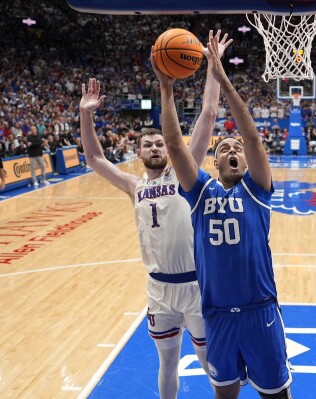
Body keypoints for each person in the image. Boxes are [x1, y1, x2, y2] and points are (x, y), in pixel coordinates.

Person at [80, 31, 231, 398]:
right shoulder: (134, 186)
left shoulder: (186, 171)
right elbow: (96, 159)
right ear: (139, 152)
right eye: (147, 143)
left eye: (160, 142)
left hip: (197, 284)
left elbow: (209, 114)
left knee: (208, 360)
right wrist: (86, 116)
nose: (154, 146)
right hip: (159, 288)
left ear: (169, 146)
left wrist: (214, 66)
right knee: (167, 362)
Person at [153, 35, 292, 399]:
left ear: (246, 160)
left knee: (276, 395)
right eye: (223, 149)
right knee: (224, 395)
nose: (232, 149)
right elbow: (173, 144)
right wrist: (166, 88)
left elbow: (251, 135)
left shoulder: (257, 187)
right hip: (216, 315)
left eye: (237, 149)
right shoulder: (199, 191)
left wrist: (223, 79)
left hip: (258, 312)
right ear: (214, 163)